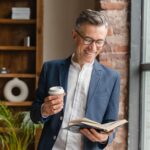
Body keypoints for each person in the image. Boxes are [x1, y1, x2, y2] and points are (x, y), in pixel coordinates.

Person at [30, 9, 120, 150]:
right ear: (74, 35)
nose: (93, 47)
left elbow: (111, 123)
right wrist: (44, 110)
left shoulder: (112, 78)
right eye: (88, 40)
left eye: (99, 42)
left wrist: (105, 138)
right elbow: (35, 114)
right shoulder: (51, 69)